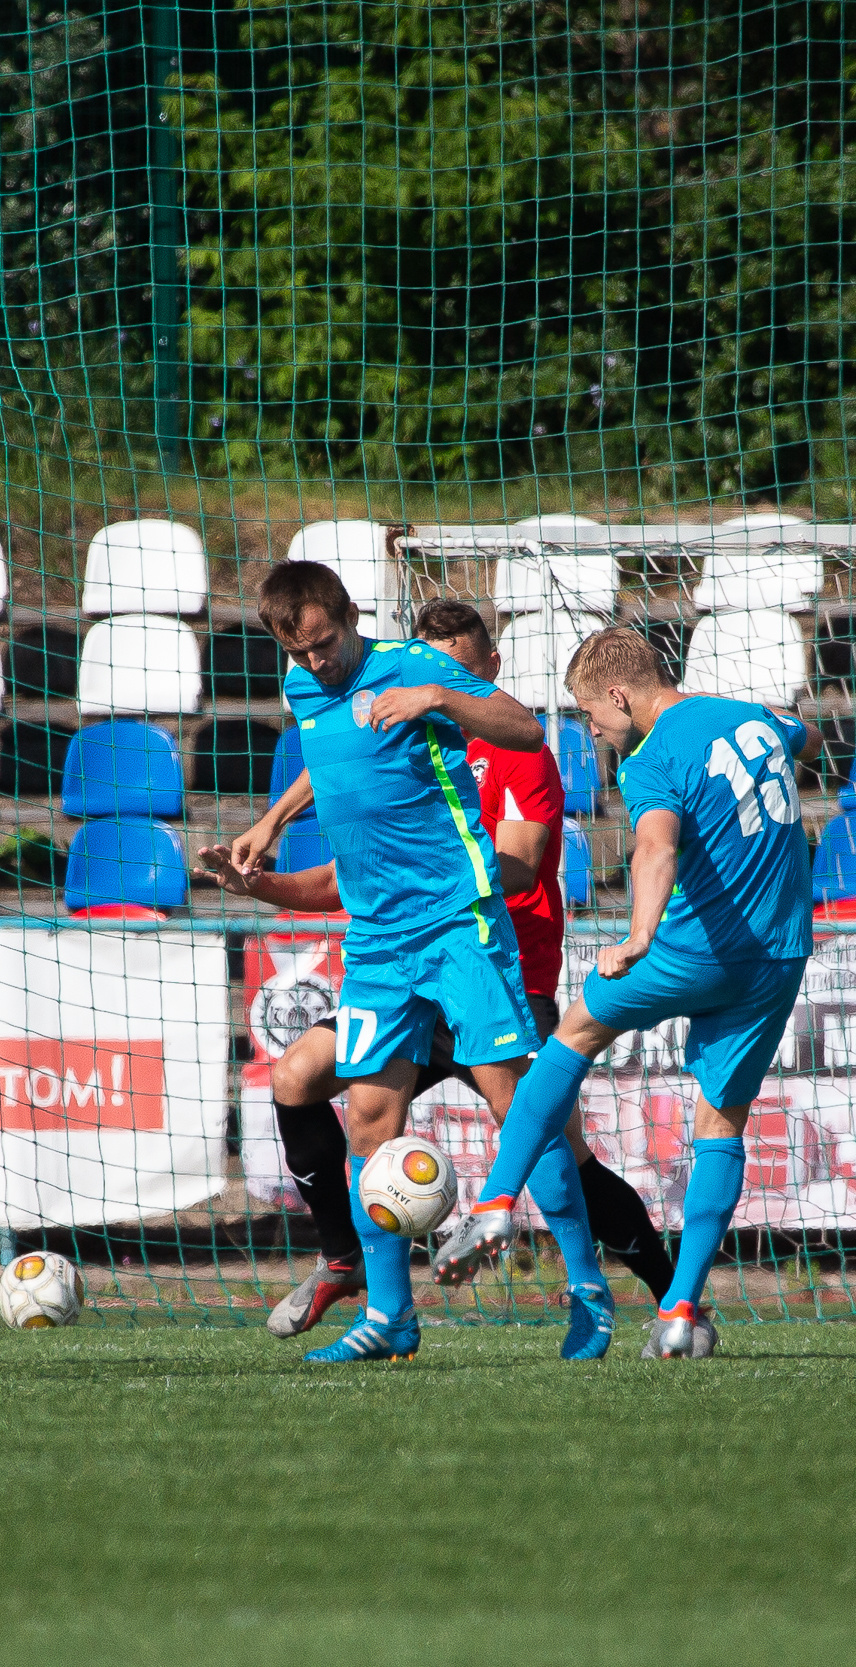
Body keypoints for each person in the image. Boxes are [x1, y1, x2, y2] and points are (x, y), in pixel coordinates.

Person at [203, 599, 672, 1362]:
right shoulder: (366, 721)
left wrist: (428, 869)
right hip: (396, 953)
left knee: (543, 1128)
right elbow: (347, 850)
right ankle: (369, 1288)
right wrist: (275, 848)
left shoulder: (507, 749)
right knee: (315, 1085)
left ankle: (636, 1291)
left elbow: (516, 862)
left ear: (481, 670)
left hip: (489, 951)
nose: (435, 673)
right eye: (431, 660)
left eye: (455, 665)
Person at [431, 626, 817, 1360]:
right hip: (778, 955)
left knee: (572, 1036)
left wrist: (639, 935)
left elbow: (655, 845)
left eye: (588, 715)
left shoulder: (651, 757)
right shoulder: (752, 717)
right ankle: (680, 1311)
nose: (592, 731)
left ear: (618, 694)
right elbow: (805, 734)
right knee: (721, 1123)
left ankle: (494, 1204)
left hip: (692, 948)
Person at [217, 560, 550, 1365]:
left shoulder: (415, 665)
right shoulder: (303, 687)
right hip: (377, 939)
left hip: (457, 919)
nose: (319, 662)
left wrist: (440, 697)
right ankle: (391, 1316)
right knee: (367, 1118)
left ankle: (590, 1297)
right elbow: (332, 757)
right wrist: (270, 820)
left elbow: (527, 729)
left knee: (526, 1105)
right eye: (302, 653)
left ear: (351, 615)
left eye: (327, 644)